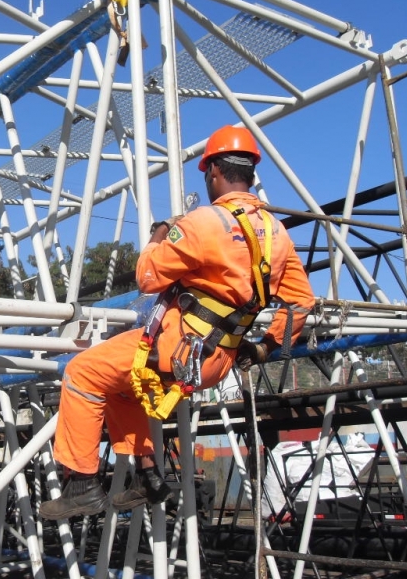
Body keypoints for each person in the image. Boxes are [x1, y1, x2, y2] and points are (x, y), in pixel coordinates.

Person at [38, 125, 315, 520]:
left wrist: (160, 235)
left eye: (208, 173)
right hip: (217, 361)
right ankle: (149, 476)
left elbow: (148, 278)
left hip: (177, 348)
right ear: (251, 173)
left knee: (83, 373)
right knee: (121, 389)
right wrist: (267, 345)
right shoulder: (276, 233)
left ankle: (82, 484)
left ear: (214, 171)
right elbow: (301, 301)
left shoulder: (205, 222)